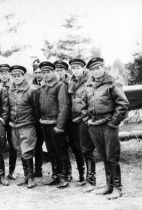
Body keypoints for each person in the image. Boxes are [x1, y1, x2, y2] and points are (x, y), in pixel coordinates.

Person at [82, 57, 129, 200]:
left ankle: (117, 187)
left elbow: (123, 104)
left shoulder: (112, 84)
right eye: (93, 69)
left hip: (108, 125)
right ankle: (108, 186)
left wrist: (114, 122)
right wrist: (87, 121)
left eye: (98, 68)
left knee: (112, 157)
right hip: (94, 126)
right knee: (103, 156)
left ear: (103, 68)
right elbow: (83, 106)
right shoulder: (89, 86)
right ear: (90, 71)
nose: (96, 71)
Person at [36, 61, 71, 188]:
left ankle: (65, 176)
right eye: (43, 73)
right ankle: (55, 175)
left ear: (53, 72)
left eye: (48, 72)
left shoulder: (60, 86)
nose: (45, 75)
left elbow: (64, 107)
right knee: (51, 151)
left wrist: (60, 126)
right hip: (45, 123)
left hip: (56, 124)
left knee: (61, 151)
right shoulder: (43, 87)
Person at [54, 59, 85, 182]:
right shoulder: (53, 83)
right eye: (56, 70)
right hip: (60, 119)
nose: (59, 72)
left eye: (61, 70)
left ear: (65, 71)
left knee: (76, 146)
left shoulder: (71, 81)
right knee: (61, 147)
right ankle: (66, 172)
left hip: (72, 119)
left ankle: (82, 173)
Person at [67, 58, 95, 192]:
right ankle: (82, 177)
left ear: (83, 68)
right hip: (73, 119)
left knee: (86, 149)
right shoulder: (71, 80)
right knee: (76, 148)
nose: (76, 70)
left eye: (78, 68)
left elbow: (91, 101)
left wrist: (83, 117)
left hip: (83, 118)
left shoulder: (89, 80)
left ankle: (91, 180)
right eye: (73, 68)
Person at [9, 65, 38, 188]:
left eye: (18, 76)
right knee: (20, 150)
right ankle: (26, 177)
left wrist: (34, 123)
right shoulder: (10, 91)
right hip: (14, 125)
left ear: (23, 76)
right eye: (14, 76)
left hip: (27, 125)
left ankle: (31, 178)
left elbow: (36, 109)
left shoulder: (31, 90)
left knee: (27, 150)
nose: (16, 78)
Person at [0, 64, 16, 180]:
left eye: (6, 73)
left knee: (13, 145)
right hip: (0, 120)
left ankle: (11, 171)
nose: (4, 75)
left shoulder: (14, 85)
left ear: (9, 74)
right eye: (2, 73)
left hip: (12, 119)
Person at [31, 59, 44, 177]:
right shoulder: (31, 86)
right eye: (36, 72)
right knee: (37, 145)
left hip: (48, 117)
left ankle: (61, 171)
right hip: (36, 119)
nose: (38, 74)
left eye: (40, 72)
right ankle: (38, 169)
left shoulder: (49, 83)